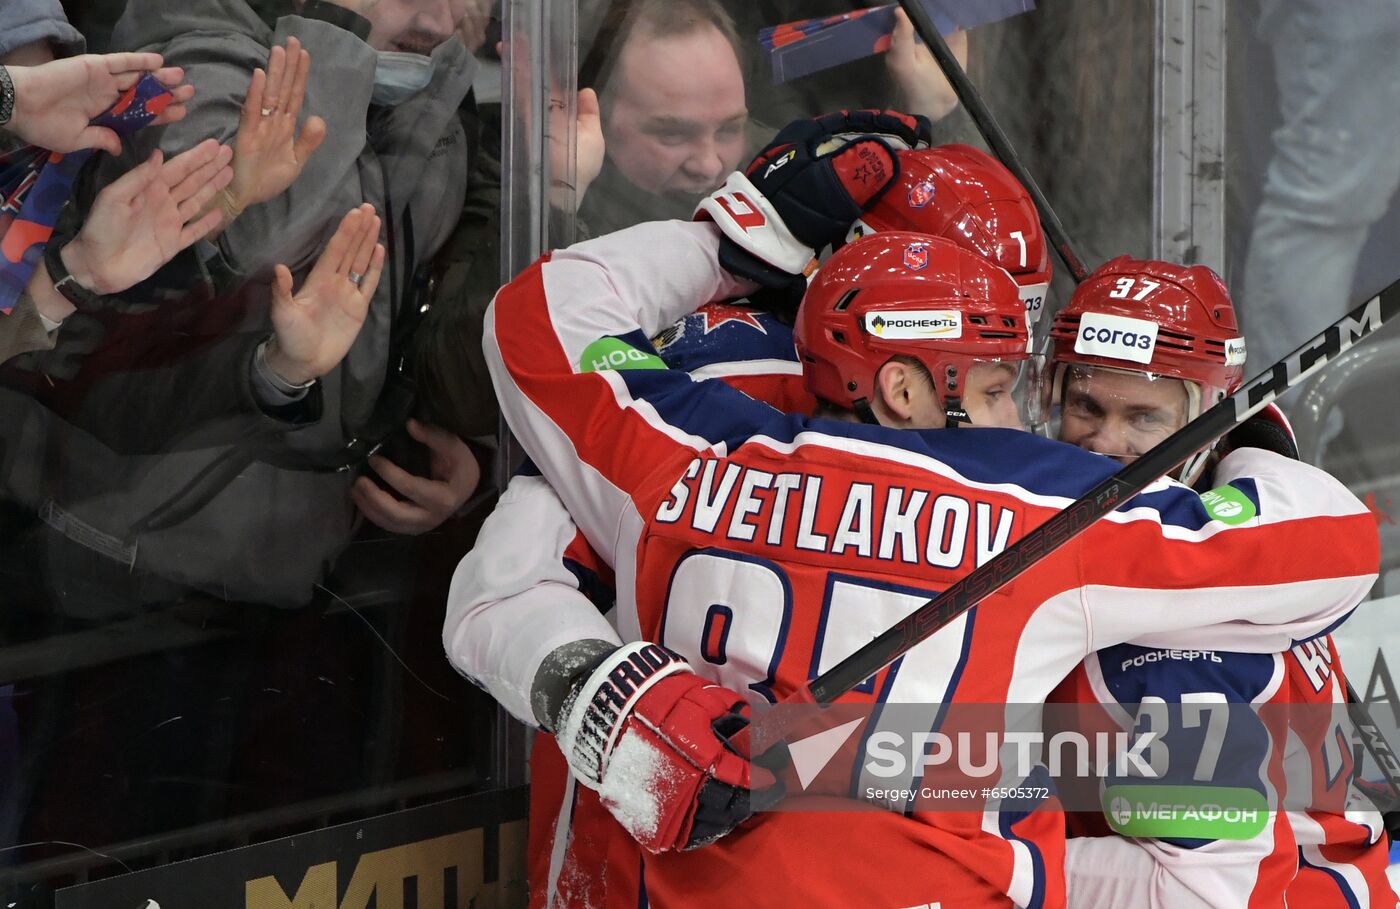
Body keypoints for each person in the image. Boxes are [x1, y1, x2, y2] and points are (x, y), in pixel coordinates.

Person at [479, 113, 1379, 906]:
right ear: (906, 382)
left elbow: (537, 318)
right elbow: (1330, 548)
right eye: (994, 383)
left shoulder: (691, 426)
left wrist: (730, 238)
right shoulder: (1043, 504)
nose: (1028, 422)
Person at [7, 0, 484, 608]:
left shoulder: (425, 78)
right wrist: (336, 39)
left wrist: (452, 448)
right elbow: (259, 254)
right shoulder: (200, 51)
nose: (440, 22)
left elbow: (407, 299)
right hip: (129, 542)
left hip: (296, 553)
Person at [1037, 259, 1397, 908]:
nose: (1104, 444)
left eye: (1144, 418)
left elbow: (1203, 894)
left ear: (1207, 421)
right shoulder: (1245, 512)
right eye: (1086, 405)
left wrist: (997, 854)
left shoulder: (1177, 648)